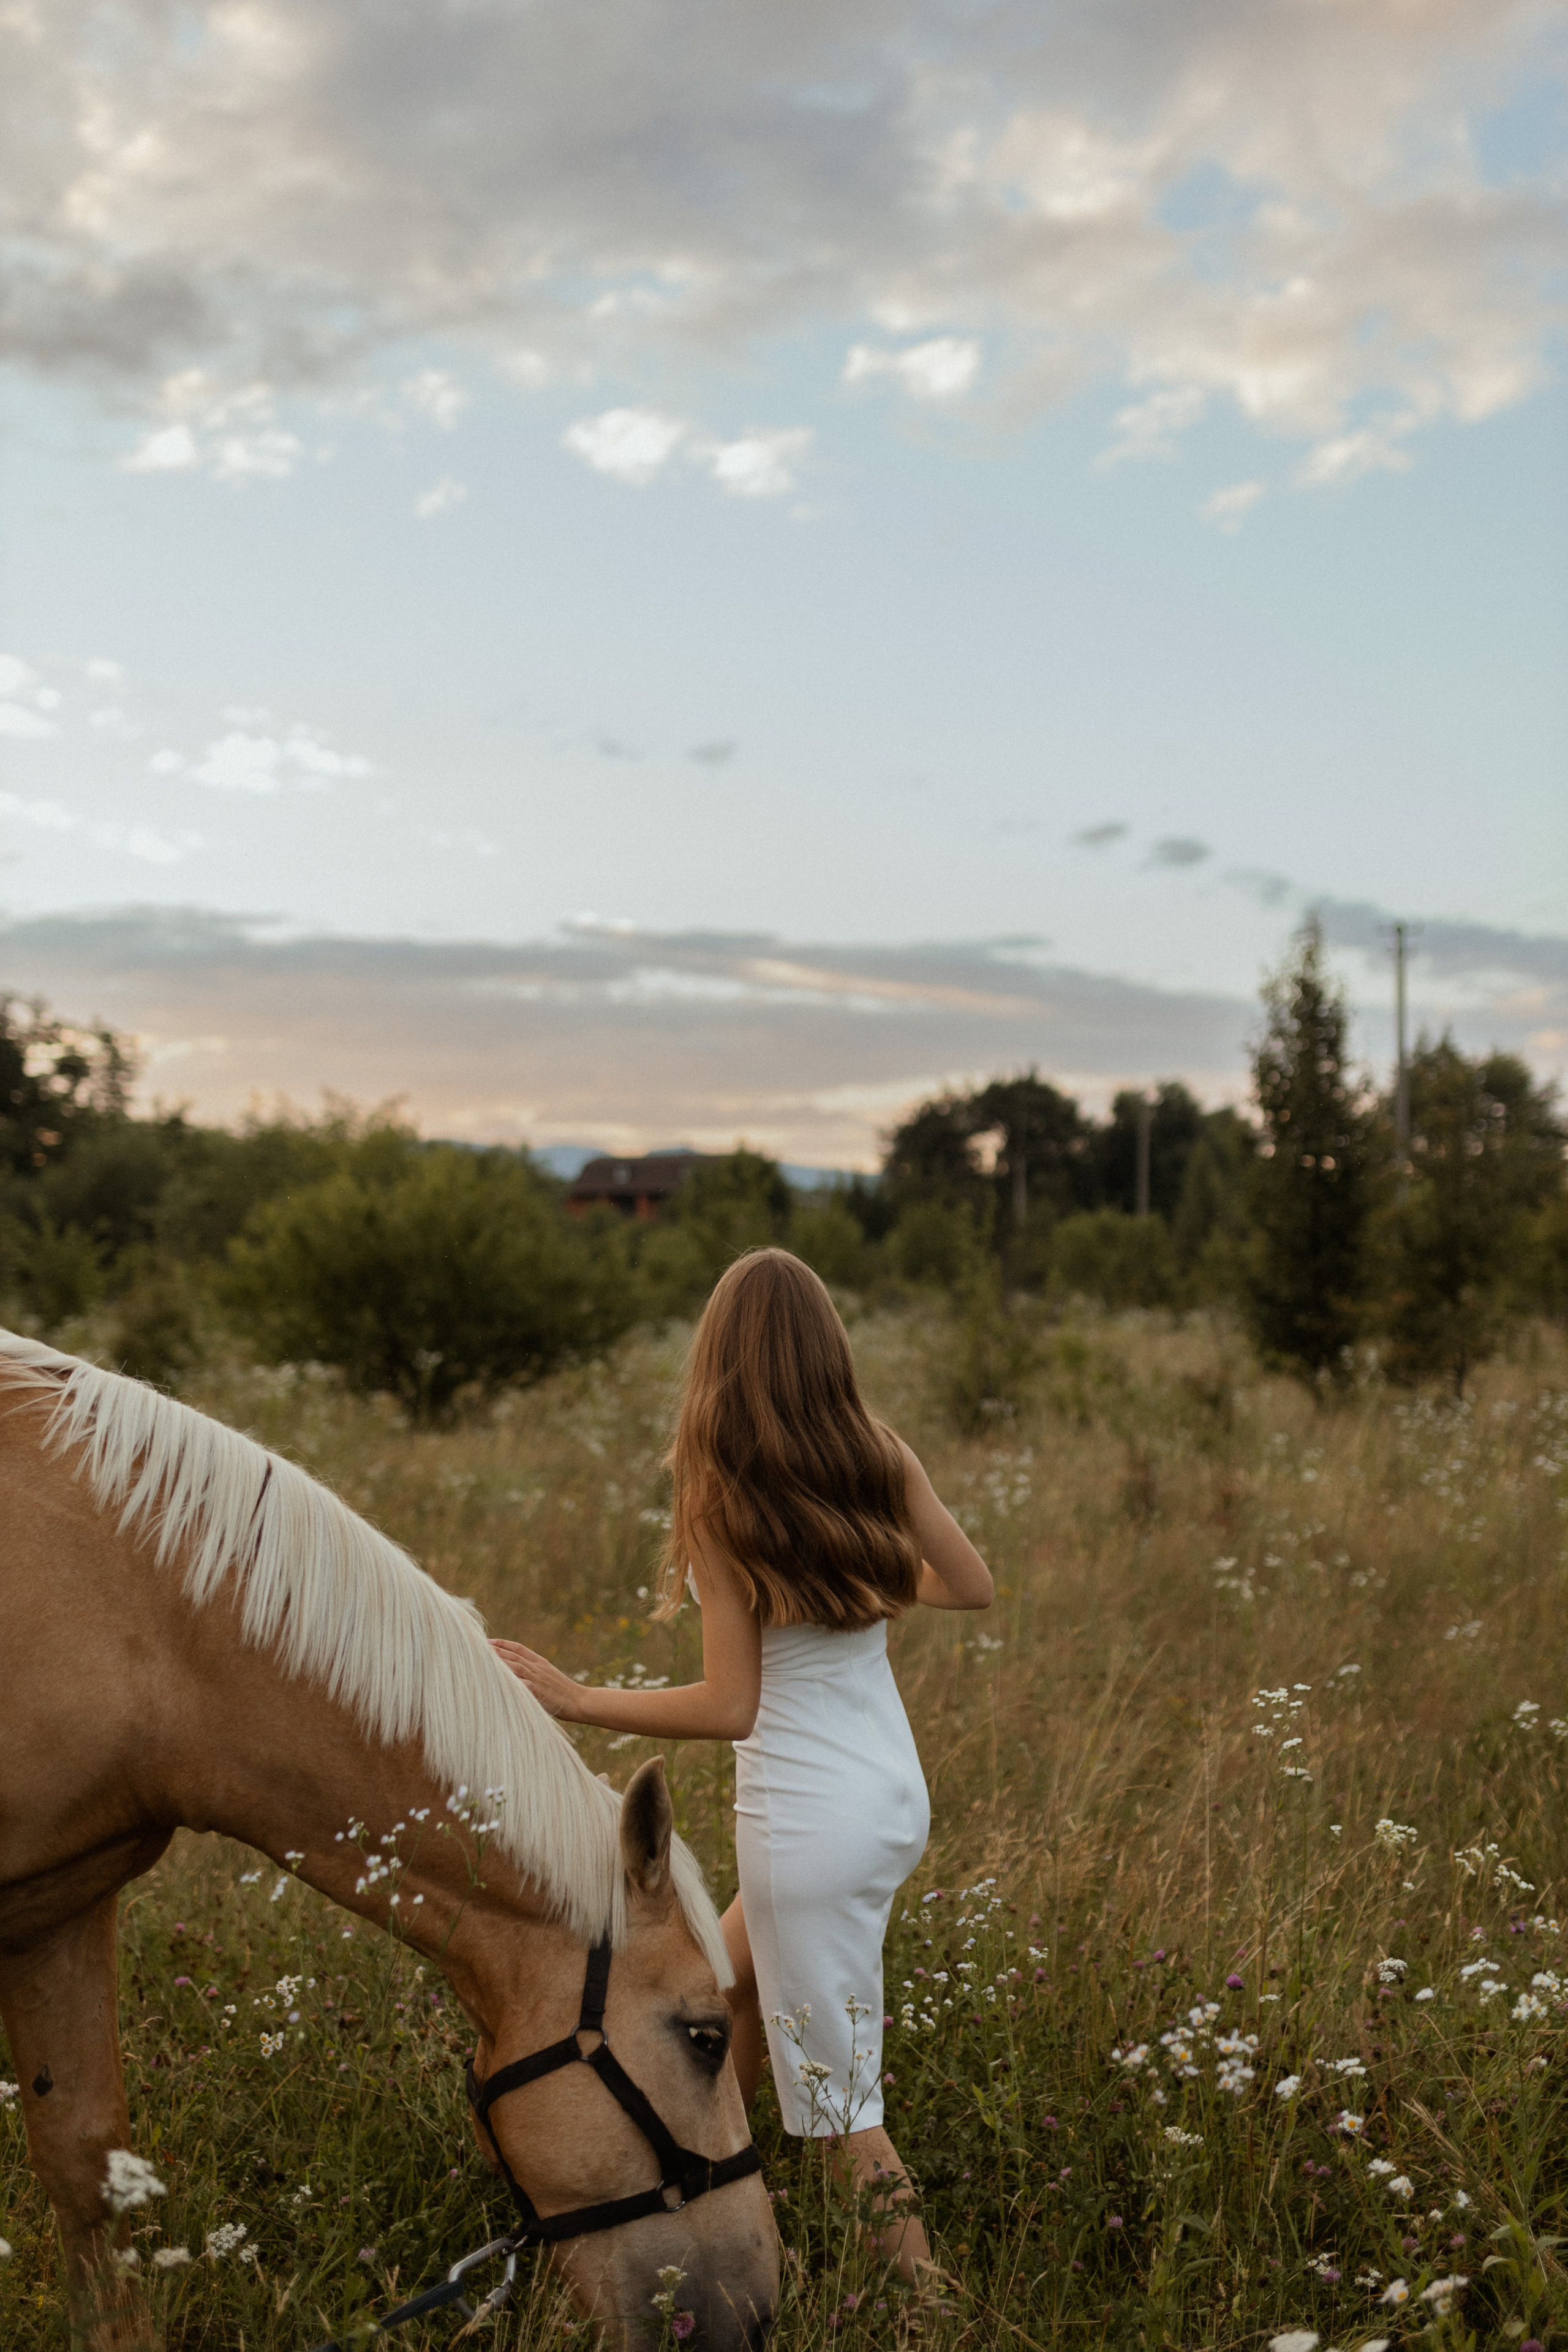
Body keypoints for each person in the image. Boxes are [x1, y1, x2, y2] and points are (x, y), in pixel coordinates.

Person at [492, 1247, 993, 2277]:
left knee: (846, 2111)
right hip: (889, 1803)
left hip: (810, 1830)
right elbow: (972, 1583)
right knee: (717, 1998)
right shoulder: (879, 1455)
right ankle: (696, 2200)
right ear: (827, 1348)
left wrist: (577, 1698)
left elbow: (731, 1705)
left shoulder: (725, 1493)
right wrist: (868, 1584)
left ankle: (930, 2313)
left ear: (718, 1356)